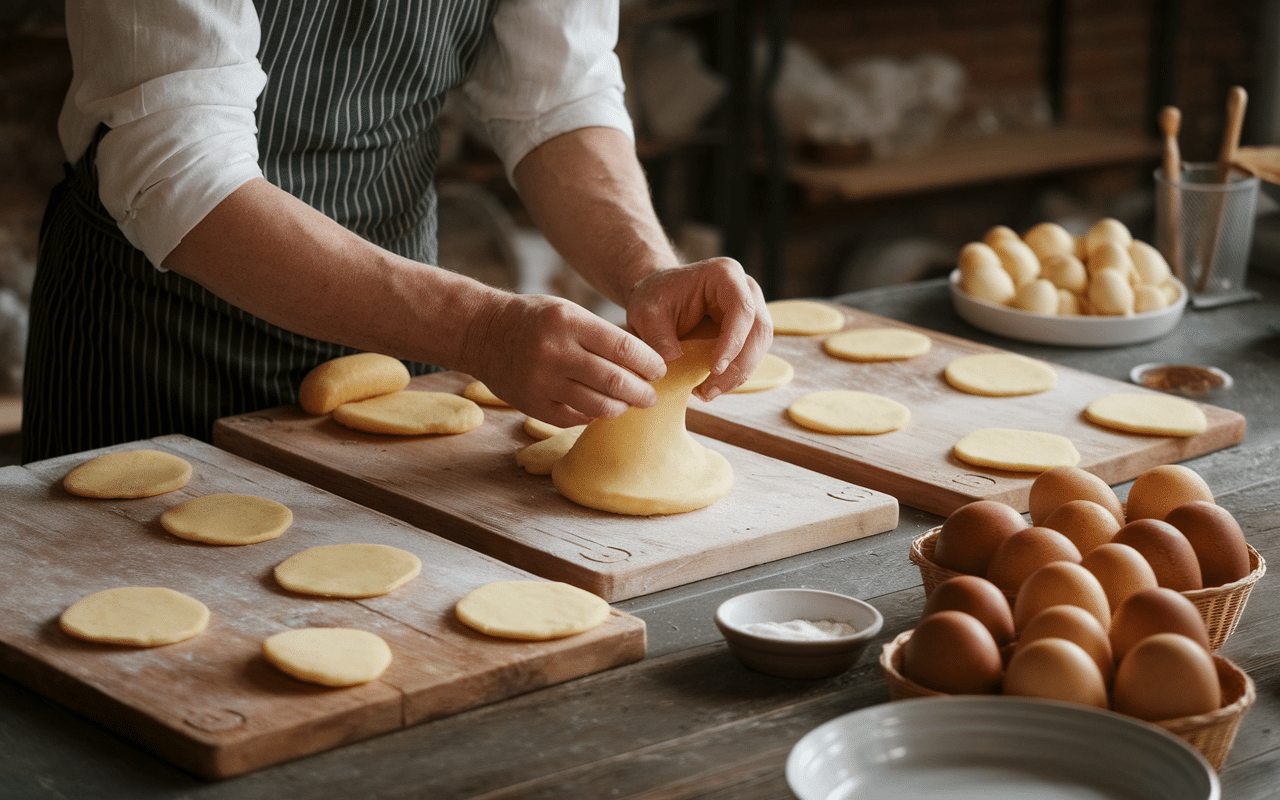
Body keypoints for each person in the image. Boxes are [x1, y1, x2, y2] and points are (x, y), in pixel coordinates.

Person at [22, 0, 771, 464]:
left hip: (398, 338)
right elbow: (176, 167)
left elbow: (557, 95)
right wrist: (479, 331)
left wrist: (647, 270)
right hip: (160, 337)